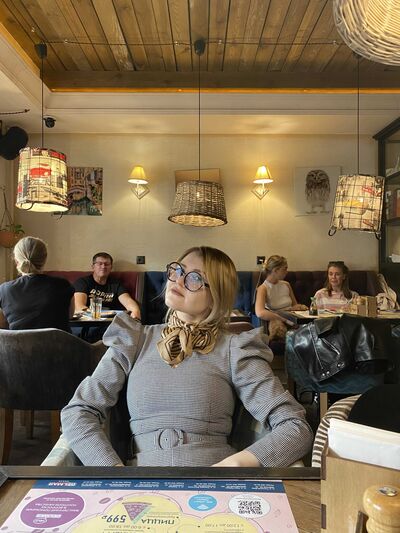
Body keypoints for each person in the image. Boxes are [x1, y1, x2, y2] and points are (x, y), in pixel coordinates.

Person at [61, 246, 313, 467]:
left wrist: (236, 466)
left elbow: (295, 427)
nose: (178, 280)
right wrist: (113, 473)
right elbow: (78, 412)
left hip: (214, 490)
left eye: (194, 278)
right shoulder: (134, 339)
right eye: (178, 270)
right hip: (140, 490)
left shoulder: (235, 349)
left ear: (217, 294)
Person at [0, 236, 74, 331]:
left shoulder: (4, 290)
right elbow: (70, 315)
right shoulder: (63, 285)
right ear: (44, 259)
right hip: (56, 341)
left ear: (17, 261)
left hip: (19, 341)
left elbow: (2, 324)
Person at [73, 252, 141, 318]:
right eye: (100, 264)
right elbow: (79, 307)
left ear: (111, 268)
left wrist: (135, 311)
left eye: (107, 264)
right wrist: (100, 314)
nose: (103, 267)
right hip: (89, 320)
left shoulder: (116, 284)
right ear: (93, 267)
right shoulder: (82, 282)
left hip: (110, 321)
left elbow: (127, 301)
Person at [255, 255, 307, 334]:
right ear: (275, 270)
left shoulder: (286, 284)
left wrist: (300, 307)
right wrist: (284, 319)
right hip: (278, 321)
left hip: (292, 317)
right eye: (285, 269)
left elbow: (294, 305)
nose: (287, 271)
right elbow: (260, 312)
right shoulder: (263, 288)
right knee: (278, 328)